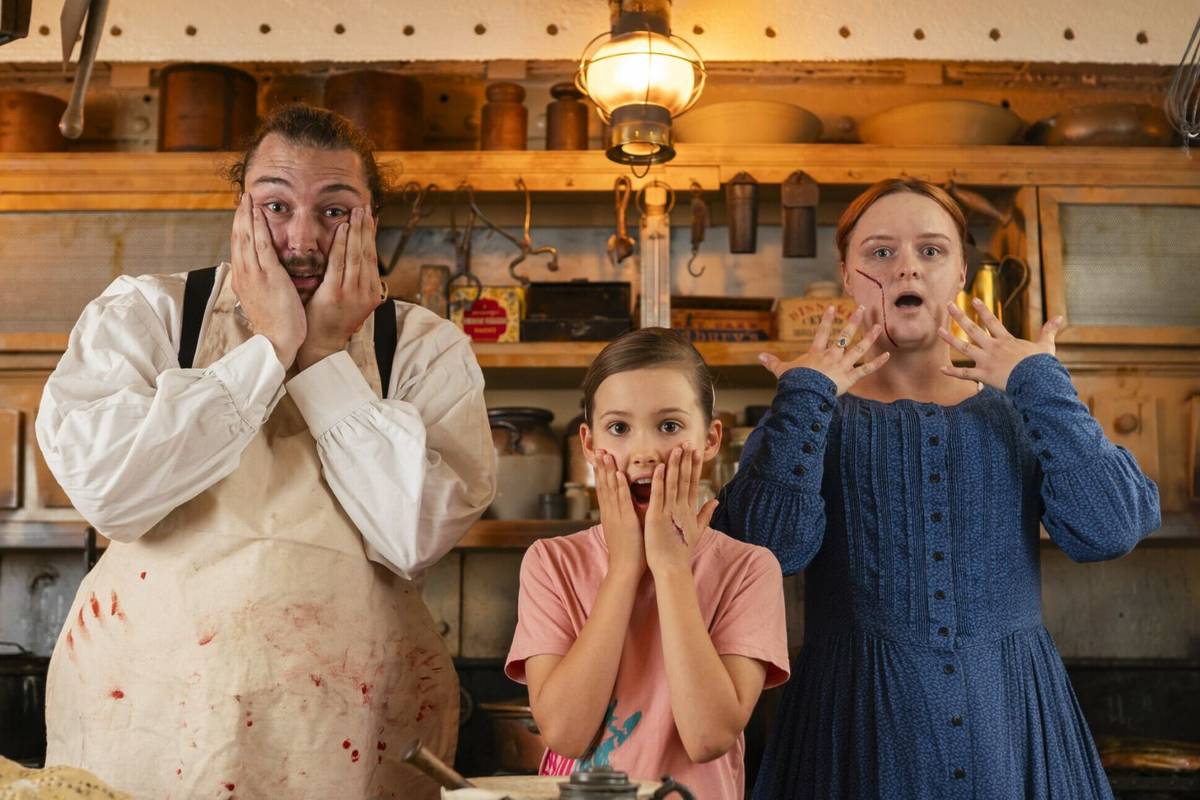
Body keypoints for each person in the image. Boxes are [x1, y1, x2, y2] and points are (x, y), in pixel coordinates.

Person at [34, 104, 496, 799]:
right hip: (148, 714)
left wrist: (321, 361)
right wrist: (270, 349)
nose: (302, 237)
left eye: (335, 210)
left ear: (372, 219)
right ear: (241, 211)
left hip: (355, 725)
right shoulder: (145, 314)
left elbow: (416, 535)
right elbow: (112, 496)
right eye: (276, 205)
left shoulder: (427, 348)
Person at [713, 177, 1161, 799]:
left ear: (959, 274)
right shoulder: (811, 415)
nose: (906, 269)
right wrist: (802, 401)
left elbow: (1110, 529)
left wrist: (1041, 382)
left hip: (1011, 728)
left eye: (930, 251)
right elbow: (765, 552)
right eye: (880, 253)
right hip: (850, 735)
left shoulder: (1022, 406)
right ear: (847, 276)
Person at [504, 328, 790, 799]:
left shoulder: (749, 569)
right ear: (590, 445)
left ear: (711, 439)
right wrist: (623, 570)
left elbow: (708, 737)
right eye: (619, 428)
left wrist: (672, 569)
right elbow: (566, 734)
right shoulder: (551, 562)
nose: (645, 453)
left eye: (670, 426)